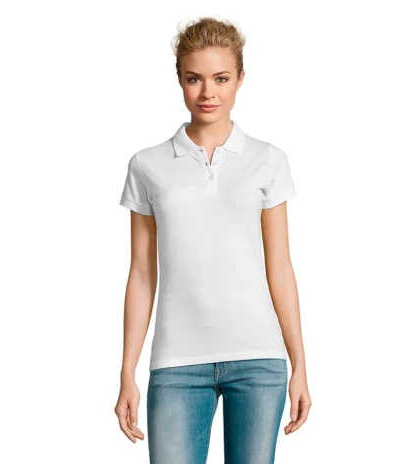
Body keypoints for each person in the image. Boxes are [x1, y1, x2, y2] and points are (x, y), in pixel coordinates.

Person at [114, 16, 311, 464]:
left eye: (221, 78)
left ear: (240, 78)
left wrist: (300, 363)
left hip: (259, 360)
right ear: (179, 80)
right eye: (194, 79)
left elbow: (280, 267)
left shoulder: (268, 160)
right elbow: (141, 274)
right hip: (176, 364)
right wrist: (127, 371)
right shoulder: (147, 165)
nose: (208, 92)